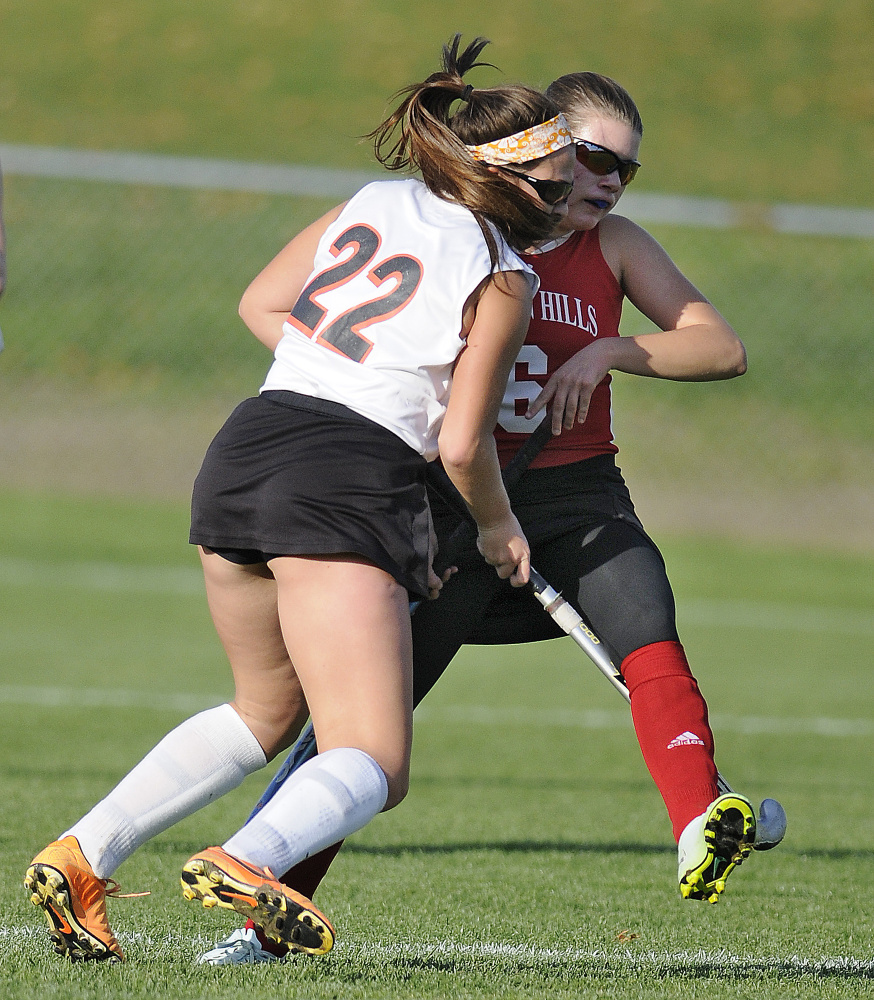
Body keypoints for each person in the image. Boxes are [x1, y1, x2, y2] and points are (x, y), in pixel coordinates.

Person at [23, 35, 577, 964]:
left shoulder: (376, 201)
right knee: (375, 760)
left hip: (249, 445)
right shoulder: (505, 276)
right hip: (347, 480)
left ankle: (83, 855)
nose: (565, 203)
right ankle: (248, 858)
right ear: (511, 183)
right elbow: (461, 442)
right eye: (557, 184)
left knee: (262, 713)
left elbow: (262, 302)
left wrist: (350, 374)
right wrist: (498, 526)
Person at [199, 71, 764, 968]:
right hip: (455, 506)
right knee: (362, 732)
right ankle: (262, 912)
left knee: (649, 625)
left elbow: (721, 346)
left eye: (629, 169)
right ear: (535, 153)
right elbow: (270, 305)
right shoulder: (463, 234)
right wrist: (375, 396)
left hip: (576, 495)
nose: (612, 182)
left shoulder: (614, 245)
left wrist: (614, 349)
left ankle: (701, 820)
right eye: (594, 159)